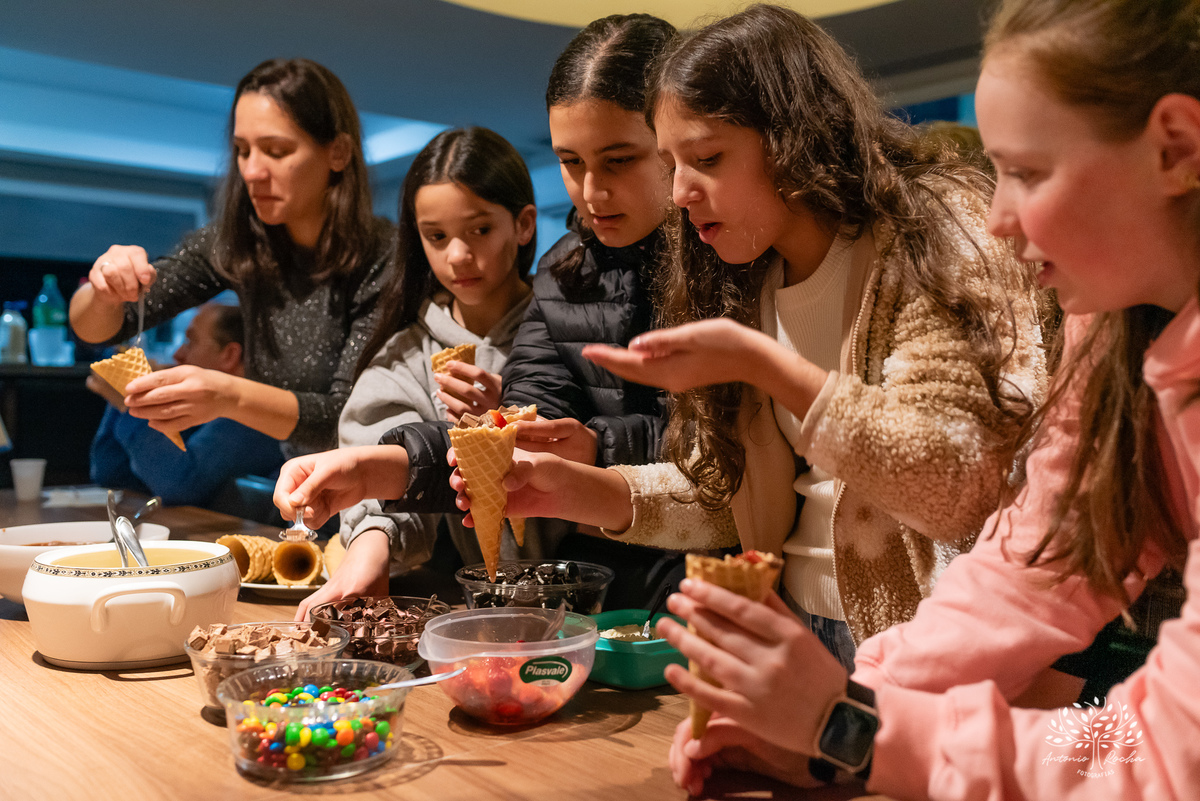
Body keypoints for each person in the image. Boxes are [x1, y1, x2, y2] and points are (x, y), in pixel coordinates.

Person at [656, 0, 1200, 797]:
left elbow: (1163, 751)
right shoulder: (1112, 318)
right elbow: (1037, 563)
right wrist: (853, 709)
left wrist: (853, 730)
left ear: (1176, 147)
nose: (998, 220)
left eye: (1027, 173)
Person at [461, 3, 1047, 670]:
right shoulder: (739, 274)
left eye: (707, 158)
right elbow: (720, 492)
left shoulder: (933, 230)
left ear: (797, 137)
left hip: (935, 642)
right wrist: (571, 488)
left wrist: (764, 365)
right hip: (792, 629)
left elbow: (957, 483)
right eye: (671, 163)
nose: (681, 192)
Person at [276, 14, 681, 609]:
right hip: (603, 591)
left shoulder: (730, 260)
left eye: (618, 159)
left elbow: (720, 458)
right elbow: (519, 436)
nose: (592, 191)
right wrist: (373, 471)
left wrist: (596, 446)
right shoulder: (565, 273)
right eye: (571, 162)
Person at [69, 58, 394, 457]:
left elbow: (347, 420)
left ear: (338, 153)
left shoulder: (384, 256)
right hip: (303, 483)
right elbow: (99, 328)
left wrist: (227, 395)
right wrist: (104, 290)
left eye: (276, 151)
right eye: (242, 151)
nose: (252, 171)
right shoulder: (240, 241)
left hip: (380, 489)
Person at [290, 127, 537, 619]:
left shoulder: (561, 333)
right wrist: (368, 554)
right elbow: (379, 465)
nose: (458, 255)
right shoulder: (404, 357)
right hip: (480, 613)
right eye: (436, 236)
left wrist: (508, 425)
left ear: (524, 225)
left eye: (480, 230)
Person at [89, 303, 284, 507]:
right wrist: (125, 390)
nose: (178, 354)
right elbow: (111, 473)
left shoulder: (252, 413)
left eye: (191, 342)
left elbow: (179, 485)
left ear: (229, 355)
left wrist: (131, 405)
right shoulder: (199, 408)